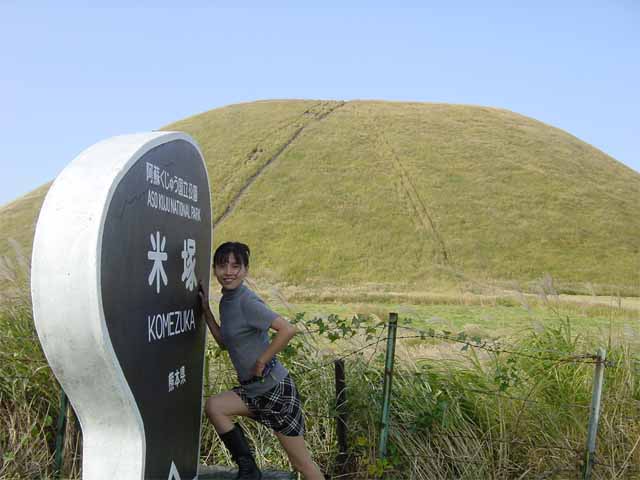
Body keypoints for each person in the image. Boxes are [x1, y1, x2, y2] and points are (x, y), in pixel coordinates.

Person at [198, 241, 324, 480]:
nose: (228, 272)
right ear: (214, 269)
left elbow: (287, 329)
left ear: (246, 270)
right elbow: (225, 342)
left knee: (302, 464)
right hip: (253, 390)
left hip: (275, 391)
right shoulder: (227, 300)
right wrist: (206, 310)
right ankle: (249, 470)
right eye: (222, 265)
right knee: (215, 407)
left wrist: (262, 361)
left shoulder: (247, 301)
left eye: (236, 266)